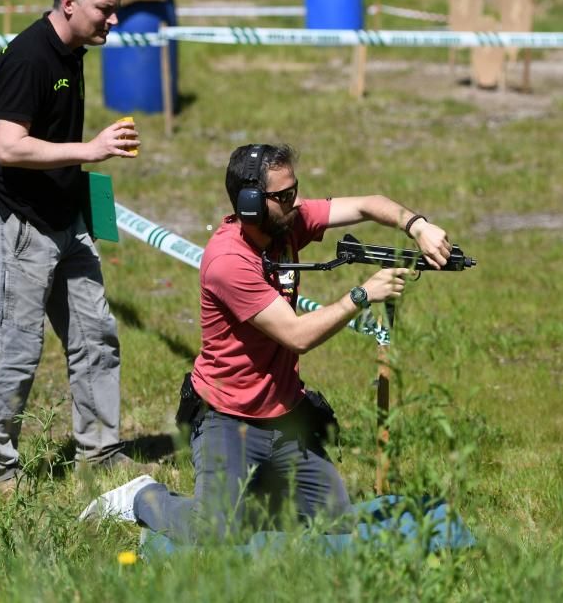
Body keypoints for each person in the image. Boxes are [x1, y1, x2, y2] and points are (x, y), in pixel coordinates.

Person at [80, 143, 453, 541]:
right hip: (227, 417)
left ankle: (258, 488)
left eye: (296, 190)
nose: (297, 203)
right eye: (285, 196)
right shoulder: (228, 261)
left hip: (287, 416)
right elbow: (297, 335)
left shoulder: (286, 220)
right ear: (252, 204)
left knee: (337, 524)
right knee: (214, 530)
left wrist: (417, 226)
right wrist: (360, 296)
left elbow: (367, 204)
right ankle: (143, 496)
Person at [0, 0, 141, 487]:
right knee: (17, 348)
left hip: (66, 222)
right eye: (105, 11)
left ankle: (100, 451)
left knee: (96, 337)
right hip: (21, 224)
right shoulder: (29, 58)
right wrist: (90, 149)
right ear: (69, 2)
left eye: (115, 12)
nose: (113, 22)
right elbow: (8, 146)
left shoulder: (72, 50)